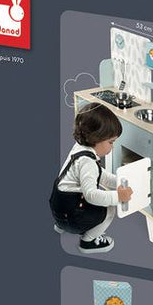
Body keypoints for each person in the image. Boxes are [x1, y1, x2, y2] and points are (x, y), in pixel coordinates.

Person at [50, 102, 133, 254]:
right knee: (109, 209)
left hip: (58, 208)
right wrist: (118, 196)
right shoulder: (88, 162)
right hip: (71, 217)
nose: (112, 147)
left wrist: (119, 181)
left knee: (89, 197)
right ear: (96, 138)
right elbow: (91, 195)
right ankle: (88, 241)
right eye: (111, 142)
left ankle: (62, 225)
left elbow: (100, 175)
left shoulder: (80, 148)